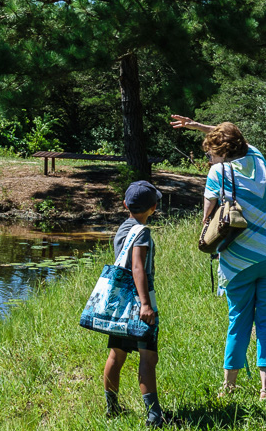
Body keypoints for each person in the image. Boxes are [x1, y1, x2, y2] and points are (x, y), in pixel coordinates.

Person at [170, 116, 266, 400]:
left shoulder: (219, 173)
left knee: (239, 320)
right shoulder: (258, 157)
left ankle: (229, 386)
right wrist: (198, 126)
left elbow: (206, 218)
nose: (209, 159)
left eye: (210, 153)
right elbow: (236, 138)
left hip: (241, 261)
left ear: (222, 152)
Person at [103, 180, 171, 427]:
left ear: (125, 205)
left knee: (116, 355)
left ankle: (112, 407)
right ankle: (154, 416)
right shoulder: (142, 232)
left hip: (120, 303)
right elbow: (137, 266)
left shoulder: (123, 228)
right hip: (138, 304)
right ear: (153, 207)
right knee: (148, 358)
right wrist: (145, 304)